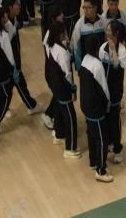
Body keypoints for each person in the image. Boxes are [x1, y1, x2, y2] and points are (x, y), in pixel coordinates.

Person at [43, 20, 80, 157]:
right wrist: (73, 90)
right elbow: (67, 74)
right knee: (70, 117)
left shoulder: (51, 45)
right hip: (62, 87)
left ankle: (59, 135)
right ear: (60, 34)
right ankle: (70, 148)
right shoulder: (62, 52)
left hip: (54, 83)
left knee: (58, 109)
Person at [79, 50, 114, 182]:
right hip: (96, 110)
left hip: (86, 107)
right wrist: (108, 105)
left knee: (91, 134)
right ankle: (101, 170)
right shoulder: (97, 65)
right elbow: (104, 88)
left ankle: (93, 161)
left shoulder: (85, 60)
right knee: (102, 139)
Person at [99, 19, 126, 165]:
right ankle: (109, 142)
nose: (107, 32)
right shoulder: (102, 48)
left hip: (115, 92)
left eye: (109, 30)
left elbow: (117, 67)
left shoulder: (122, 50)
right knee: (106, 119)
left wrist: (114, 51)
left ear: (115, 34)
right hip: (104, 91)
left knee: (115, 121)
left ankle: (118, 149)